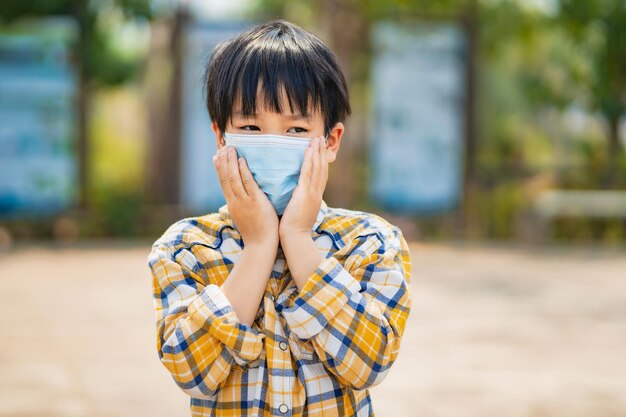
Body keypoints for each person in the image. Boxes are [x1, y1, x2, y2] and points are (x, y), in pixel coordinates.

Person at [147, 18, 412, 417]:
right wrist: (257, 246)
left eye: (296, 129)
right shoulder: (185, 247)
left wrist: (299, 237)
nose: (274, 143)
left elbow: (370, 362)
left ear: (331, 141)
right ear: (221, 138)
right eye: (251, 126)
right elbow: (191, 371)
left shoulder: (371, 242)